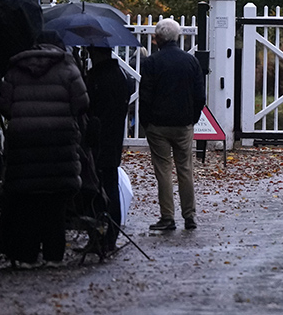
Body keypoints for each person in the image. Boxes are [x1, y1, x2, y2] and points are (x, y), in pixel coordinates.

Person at [0, 31, 89, 267]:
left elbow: (3, 104)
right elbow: (82, 103)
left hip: (24, 143)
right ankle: (53, 255)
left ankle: (26, 255)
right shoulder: (68, 68)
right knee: (55, 202)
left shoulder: (16, 69)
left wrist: (23, 115)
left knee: (26, 202)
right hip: (59, 143)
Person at [140, 18, 205, 231]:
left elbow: (145, 96)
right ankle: (189, 215)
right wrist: (192, 118)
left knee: (163, 170)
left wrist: (145, 122)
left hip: (157, 124)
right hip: (183, 123)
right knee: (185, 169)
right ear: (177, 36)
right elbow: (200, 95)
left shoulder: (151, 62)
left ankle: (167, 216)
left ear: (158, 38)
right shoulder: (191, 61)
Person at [86, 46, 136, 252]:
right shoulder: (121, 76)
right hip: (113, 139)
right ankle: (110, 236)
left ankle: (99, 236)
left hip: (97, 140)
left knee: (97, 190)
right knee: (111, 185)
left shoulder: (97, 78)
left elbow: (88, 108)